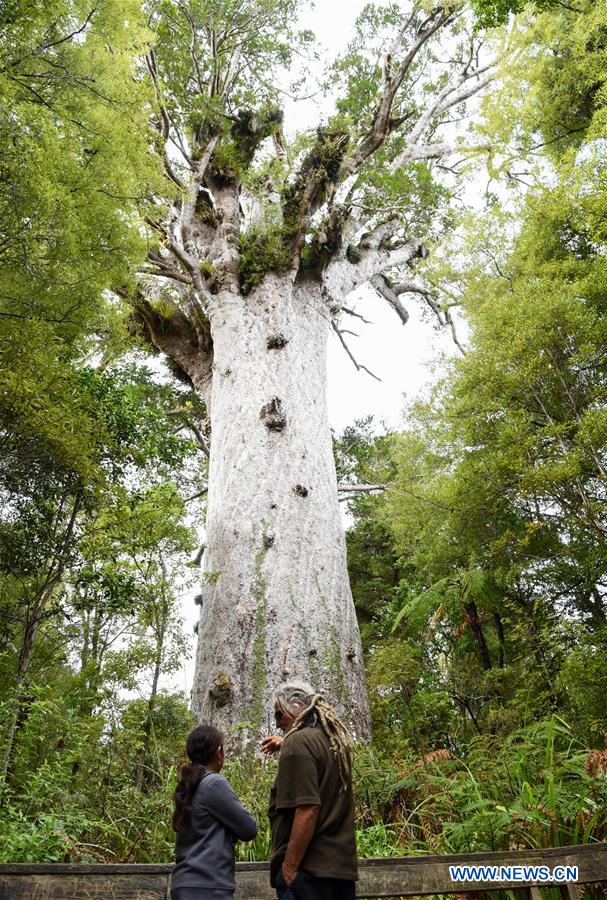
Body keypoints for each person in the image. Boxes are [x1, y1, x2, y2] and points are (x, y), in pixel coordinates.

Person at [261, 680, 357, 900]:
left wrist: (289, 867)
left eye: (278, 715)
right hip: (339, 873)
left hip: (307, 875)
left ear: (297, 708)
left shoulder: (297, 743)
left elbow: (308, 808)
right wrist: (286, 743)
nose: (277, 724)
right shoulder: (336, 745)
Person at [171, 723, 258, 900]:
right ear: (219, 752)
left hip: (184, 884)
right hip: (207, 887)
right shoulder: (214, 783)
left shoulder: (188, 784)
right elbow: (249, 829)